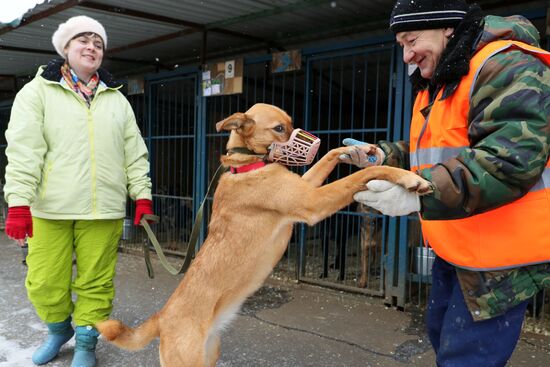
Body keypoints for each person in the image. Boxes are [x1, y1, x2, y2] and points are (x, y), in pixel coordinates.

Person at [340, 1, 550, 366]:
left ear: (447, 28)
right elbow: (431, 151)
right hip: (456, 246)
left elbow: (507, 162)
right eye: (401, 45)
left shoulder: (506, 65)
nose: (407, 56)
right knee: (442, 338)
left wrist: (420, 193)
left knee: (464, 358)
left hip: (499, 257)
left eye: (411, 40)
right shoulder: (442, 81)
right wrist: (382, 157)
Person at [3, 15, 153, 367]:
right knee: (43, 281)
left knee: (96, 282)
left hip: (103, 211)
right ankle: (58, 330)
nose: (91, 47)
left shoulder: (116, 99)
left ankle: (86, 340)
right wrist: (19, 203)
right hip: (49, 208)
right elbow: (24, 150)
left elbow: (134, 151)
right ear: (65, 48)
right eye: (83, 40)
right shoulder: (37, 92)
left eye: (98, 43)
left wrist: (142, 195)